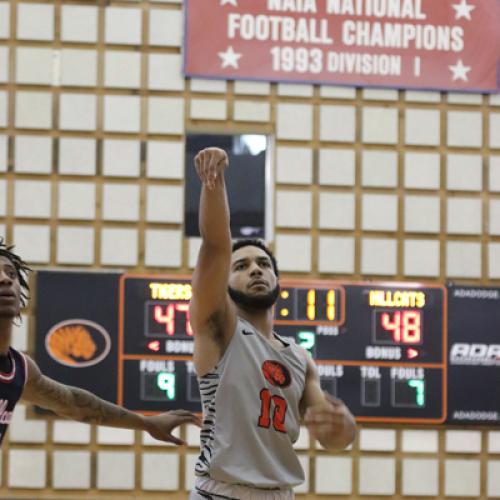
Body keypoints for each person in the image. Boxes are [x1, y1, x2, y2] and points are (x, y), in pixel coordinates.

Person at [189, 147, 356, 500]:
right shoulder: (218, 327)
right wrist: (213, 183)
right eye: (242, 266)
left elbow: (331, 437)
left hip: (279, 493)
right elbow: (217, 246)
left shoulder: (299, 356)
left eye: (263, 264)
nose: (255, 269)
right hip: (220, 491)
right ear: (225, 283)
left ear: (278, 282)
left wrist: (345, 427)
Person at [0, 238, 199, 446]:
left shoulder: (21, 369)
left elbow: (73, 403)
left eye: (11, 273)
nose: (5, 279)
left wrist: (147, 423)